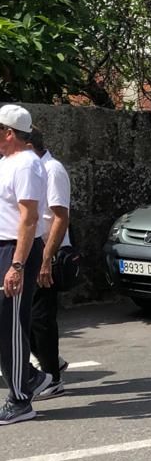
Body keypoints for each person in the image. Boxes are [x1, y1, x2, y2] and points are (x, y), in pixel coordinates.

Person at [0, 105, 51, 426]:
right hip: (2, 248)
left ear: (8, 132)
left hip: (17, 251)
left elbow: (29, 218)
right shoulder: (6, 162)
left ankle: (20, 399)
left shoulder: (27, 165)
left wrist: (17, 265)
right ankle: (30, 378)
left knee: (11, 325)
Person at [26, 127, 72, 400]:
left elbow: (59, 217)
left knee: (41, 317)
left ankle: (52, 377)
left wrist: (46, 259)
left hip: (47, 249)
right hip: (29, 248)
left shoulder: (52, 170)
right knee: (26, 317)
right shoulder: (29, 170)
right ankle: (51, 360)